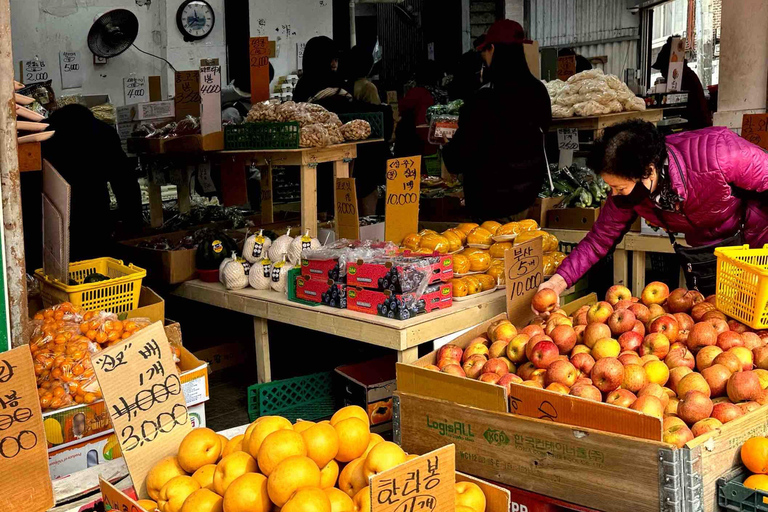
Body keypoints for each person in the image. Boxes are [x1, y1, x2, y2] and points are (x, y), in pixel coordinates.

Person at [538, 120, 768, 303]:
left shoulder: (721, 154)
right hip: (710, 255)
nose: (614, 195)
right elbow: (599, 239)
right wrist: (558, 283)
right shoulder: (630, 194)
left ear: (648, 171)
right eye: (610, 187)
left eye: (619, 188)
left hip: (758, 243)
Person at [442, 19, 551, 221]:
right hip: (528, 198)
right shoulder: (539, 91)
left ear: (492, 49)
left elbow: (460, 156)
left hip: (491, 204)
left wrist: (446, 148)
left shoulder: (484, 98)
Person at [294, 36, 394, 216]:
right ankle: (364, 222)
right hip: (338, 153)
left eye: (336, 59)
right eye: (332, 58)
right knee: (363, 182)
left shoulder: (302, 85)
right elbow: (343, 110)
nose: (335, 63)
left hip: (319, 155)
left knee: (322, 196)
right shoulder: (329, 82)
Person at [35, 104, 142, 265]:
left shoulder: (42, 135)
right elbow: (125, 181)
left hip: (51, 217)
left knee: (55, 270)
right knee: (95, 268)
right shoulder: (104, 133)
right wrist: (133, 224)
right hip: (95, 214)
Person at [652, 36, 712, 130]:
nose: (662, 73)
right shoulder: (686, 76)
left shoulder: (685, 79)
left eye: (663, 69)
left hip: (696, 129)